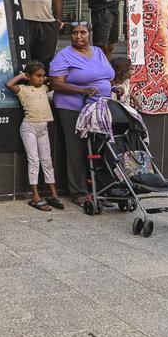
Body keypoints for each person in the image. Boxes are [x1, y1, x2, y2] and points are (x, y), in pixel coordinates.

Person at [50, 21, 114, 206]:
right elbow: (56, 84)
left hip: (100, 107)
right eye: (75, 33)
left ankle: (100, 189)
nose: (79, 36)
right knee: (76, 149)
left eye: (83, 32)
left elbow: (106, 76)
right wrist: (82, 91)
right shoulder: (64, 56)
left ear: (90, 34)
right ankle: (78, 192)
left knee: (99, 149)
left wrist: (114, 87)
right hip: (73, 108)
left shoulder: (99, 52)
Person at [6, 61, 62, 212]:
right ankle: (35, 196)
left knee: (47, 160)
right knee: (34, 161)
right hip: (29, 128)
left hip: (42, 128)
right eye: (38, 76)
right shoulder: (23, 89)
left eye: (43, 76)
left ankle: (54, 194)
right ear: (29, 76)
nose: (42, 79)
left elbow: (55, 82)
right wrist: (22, 76)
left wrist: (46, 77)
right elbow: (9, 84)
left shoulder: (44, 88)